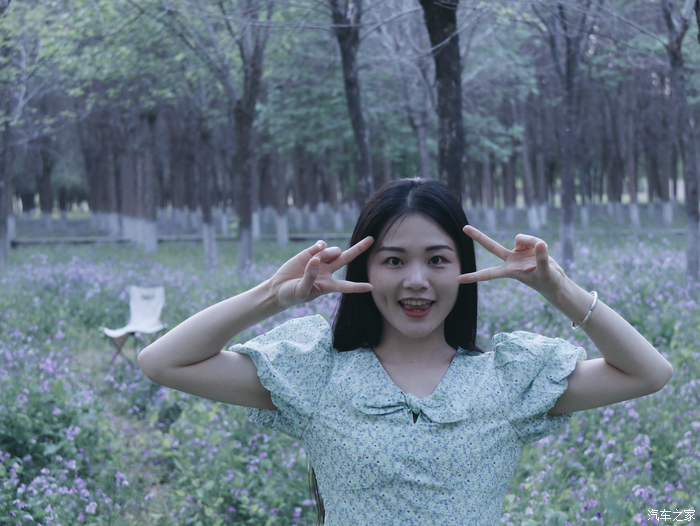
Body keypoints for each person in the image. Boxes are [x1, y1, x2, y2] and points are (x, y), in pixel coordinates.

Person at [138, 178, 674, 525]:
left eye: (437, 260)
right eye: (394, 261)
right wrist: (272, 295)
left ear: (464, 271)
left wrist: (559, 288)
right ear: (365, 271)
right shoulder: (318, 375)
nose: (416, 280)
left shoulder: (507, 381)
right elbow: (162, 362)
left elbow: (648, 373)